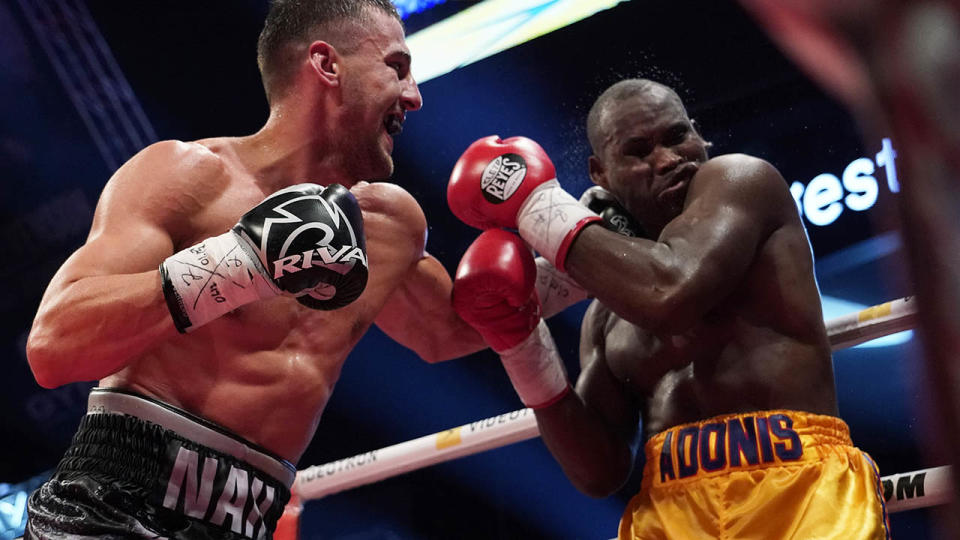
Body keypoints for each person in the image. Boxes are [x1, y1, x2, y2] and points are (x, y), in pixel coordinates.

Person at [23, 1, 491, 538]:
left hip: (247, 519)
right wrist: (239, 263)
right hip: (114, 504)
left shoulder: (392, 222)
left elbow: (453, 328)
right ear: (327, 65)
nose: (415, 95)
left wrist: (569, 244)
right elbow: (54, 347)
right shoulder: (187, 177)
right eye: (396, 67)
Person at [448, 78, 891, 538]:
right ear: (600, 173)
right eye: (637, 151)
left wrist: (537, 204)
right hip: (669, 511)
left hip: (799, 490)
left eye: (677, 136)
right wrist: (520, 346)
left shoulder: (742, 180)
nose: (667, 159)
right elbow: (598, 472)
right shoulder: (605, 313)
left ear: (700, 135)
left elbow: (670, 293)